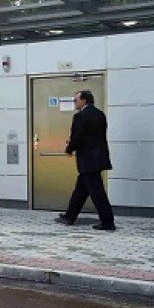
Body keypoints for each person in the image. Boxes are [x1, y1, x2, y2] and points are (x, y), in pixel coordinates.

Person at [55, 89, 116, 231]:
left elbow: (78, 136)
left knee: (97, 192)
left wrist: (69, 148)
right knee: (81, 189)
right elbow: (93, 136)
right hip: (98, 158)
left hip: (88, 159)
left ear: (84, 101)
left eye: (76, 100)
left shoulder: (81, 116)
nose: (75, 103)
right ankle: (70, 216)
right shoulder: (100, 114)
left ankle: (108, 222)